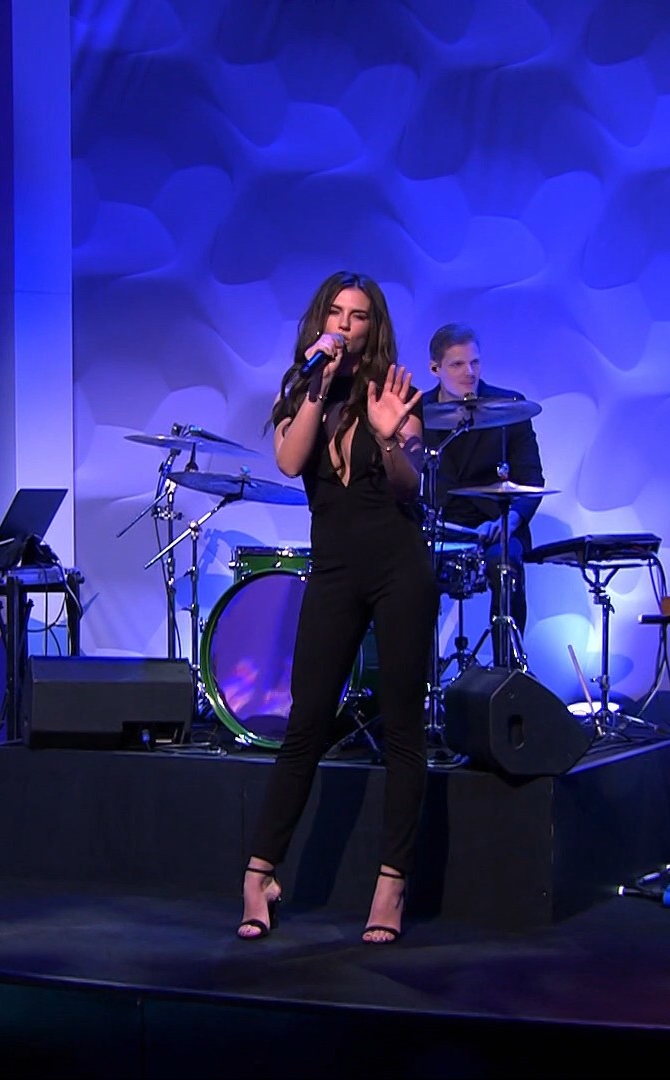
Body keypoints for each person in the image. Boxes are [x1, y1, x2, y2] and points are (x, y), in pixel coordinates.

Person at [236, 272, 428, 945]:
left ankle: (390, 885)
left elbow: (409, 484)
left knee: (403, 728)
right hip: (335, 570)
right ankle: (258, 876)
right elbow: (291, 463)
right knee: (306, 721)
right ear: (321, 321)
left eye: (360, 316)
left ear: (374, 328)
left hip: (398, 565)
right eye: (338, 314)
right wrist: (317, 385)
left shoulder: (392, 391)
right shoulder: (300, 388)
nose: (347, 325)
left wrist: (388, 436)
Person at [417, 324, 544, 648]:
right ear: (435, 369)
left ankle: (508, 666)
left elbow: (532, 479)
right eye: (457, 364)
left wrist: (509, 520)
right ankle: (418, 671)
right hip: (441, 526)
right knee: (405, 572)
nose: (469, 372)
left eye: (475, 362)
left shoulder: (509, 407)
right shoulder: (417, 411)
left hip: (497, 523)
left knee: (506, 565)